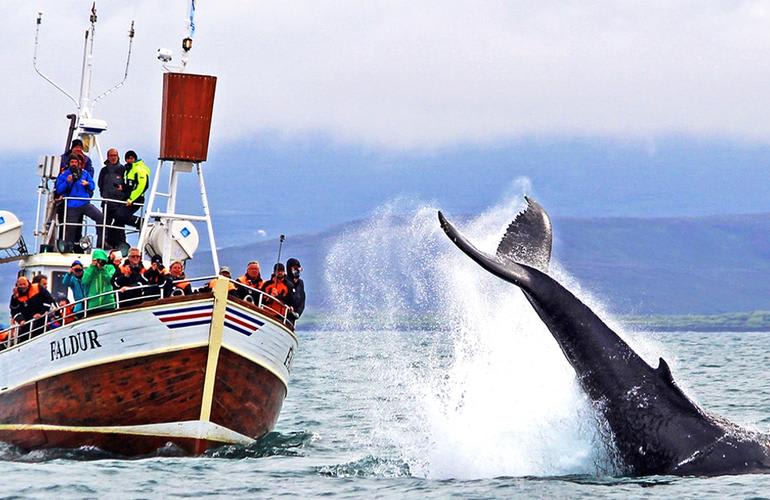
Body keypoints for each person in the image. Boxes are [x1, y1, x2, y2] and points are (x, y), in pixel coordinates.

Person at [55, 154, 104, 248]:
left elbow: (93, 186)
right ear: (69, 163)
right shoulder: (64, 175)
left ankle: (101, 242)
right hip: (72, 205)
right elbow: (59, 190)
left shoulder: (85, 173)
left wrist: (88, 184)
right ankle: (68, 247)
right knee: (70, 228)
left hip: (84, 203)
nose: (74, 164)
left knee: (100, 217)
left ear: (79, 163)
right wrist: (67, 182)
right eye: (72, 162)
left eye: (75, 162)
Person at [112, 150, 150, 230]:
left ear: (135, 159)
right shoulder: (128, 170)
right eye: (128, 159)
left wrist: (132, 199)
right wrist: (122, 187)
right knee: (117, 217)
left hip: (136, 199)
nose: (130, 160)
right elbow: (129, 185)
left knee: (120, 215)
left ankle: (140, 221)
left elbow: (143, 186)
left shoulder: (140, 169)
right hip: (127, 198)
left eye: (131, 158)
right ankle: (115, 240)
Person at [97, 148, 127, 249]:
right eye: (111, 155)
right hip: (106, 202)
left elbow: (126, 185)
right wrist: (104, 195)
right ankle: (103, 244)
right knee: (105, 224)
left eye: (115, 155)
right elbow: (100, 184)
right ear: (108, 157)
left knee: (120, 225)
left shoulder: (123, 170)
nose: (113, 157)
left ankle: (121, 245)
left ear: (118, 156)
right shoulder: (104, 170)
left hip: (119, 203)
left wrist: (121, 194)